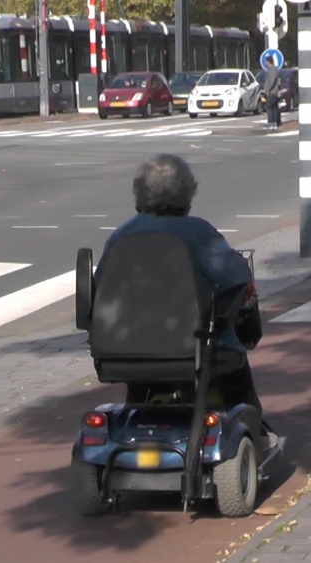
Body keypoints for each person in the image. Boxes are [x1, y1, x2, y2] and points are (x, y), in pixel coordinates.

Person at [96, 154, 263, 413]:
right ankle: (255, 428)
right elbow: (238, 278)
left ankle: (138, 415)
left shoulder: (119, 237)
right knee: (237, 371)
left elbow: (102, 289)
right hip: (193, 352)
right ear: (186, 192)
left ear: (139, 193)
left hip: (126, 352)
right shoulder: (198, 233)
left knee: (142, 377)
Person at [263, 56, 281, 130]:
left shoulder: (272, 69)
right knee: (274, 107)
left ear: (268, 61)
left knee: (269, 106)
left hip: (272, 92)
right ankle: (275, 122)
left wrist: (268, 90)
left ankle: (271, 122)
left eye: (266, 61)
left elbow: (272, 80)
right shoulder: (273, 69)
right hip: (274, 91)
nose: (266, 63)